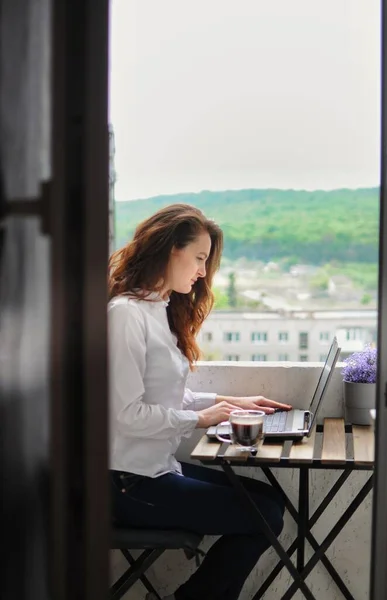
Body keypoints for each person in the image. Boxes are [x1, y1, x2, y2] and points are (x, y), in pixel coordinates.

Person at [108, 203, 292, 600]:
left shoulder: (156, 309)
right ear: (171, 249)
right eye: (199, 258)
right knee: (265, 515)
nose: (203, 272)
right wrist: (201, 420)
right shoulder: (125, 316)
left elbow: (167, 394)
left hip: (156, 469)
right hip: (128, 483)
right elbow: (124, 415)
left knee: (271, 500)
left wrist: (232, 401)